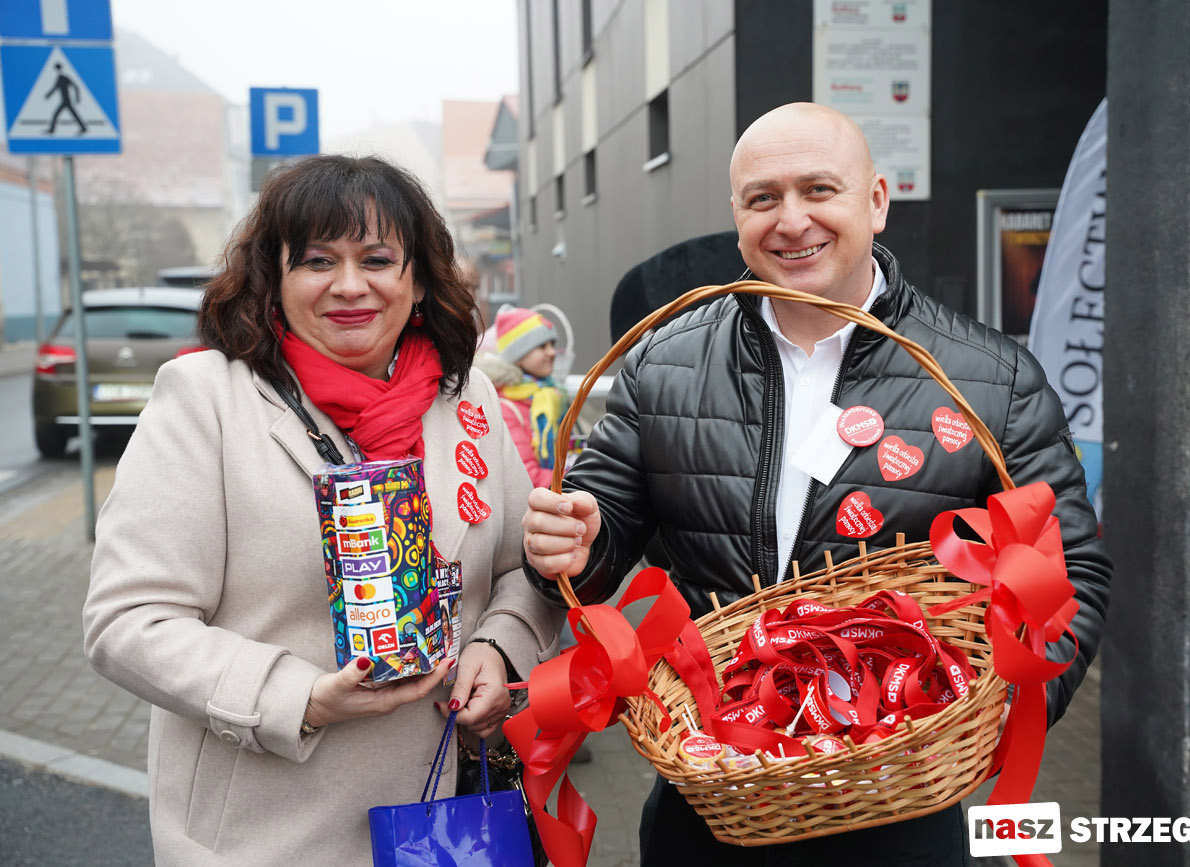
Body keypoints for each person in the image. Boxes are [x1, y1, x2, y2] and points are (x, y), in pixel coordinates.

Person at [521, 102, 1111, 865]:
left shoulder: (991, 379)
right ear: (737, 216)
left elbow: (1072, 570)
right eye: (763, 198)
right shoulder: (662, 363)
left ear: (876, 200)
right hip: (714, 800)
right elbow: (595, 538)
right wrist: (573, 543)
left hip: (901, 805)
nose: (792, 220)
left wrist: (1000, 716)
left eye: (819, 190)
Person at [83, 154, 563, 866]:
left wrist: (498, 648)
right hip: (265, 832)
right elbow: (127, 621)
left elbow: (521, 570)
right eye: (317, 260)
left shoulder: (466, 400)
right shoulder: (205, 399)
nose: (349, 285)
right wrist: (299, 697)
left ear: (418, 279)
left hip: (444, 821)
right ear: (273, 279)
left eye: (378, 259)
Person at [474, 306, 566, 487]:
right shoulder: (505, 409)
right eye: (542, 346)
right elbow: (526, 477)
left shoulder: (551, 395)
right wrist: (578, 481)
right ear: (518, 354)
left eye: (552, 344)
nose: (551, 352)